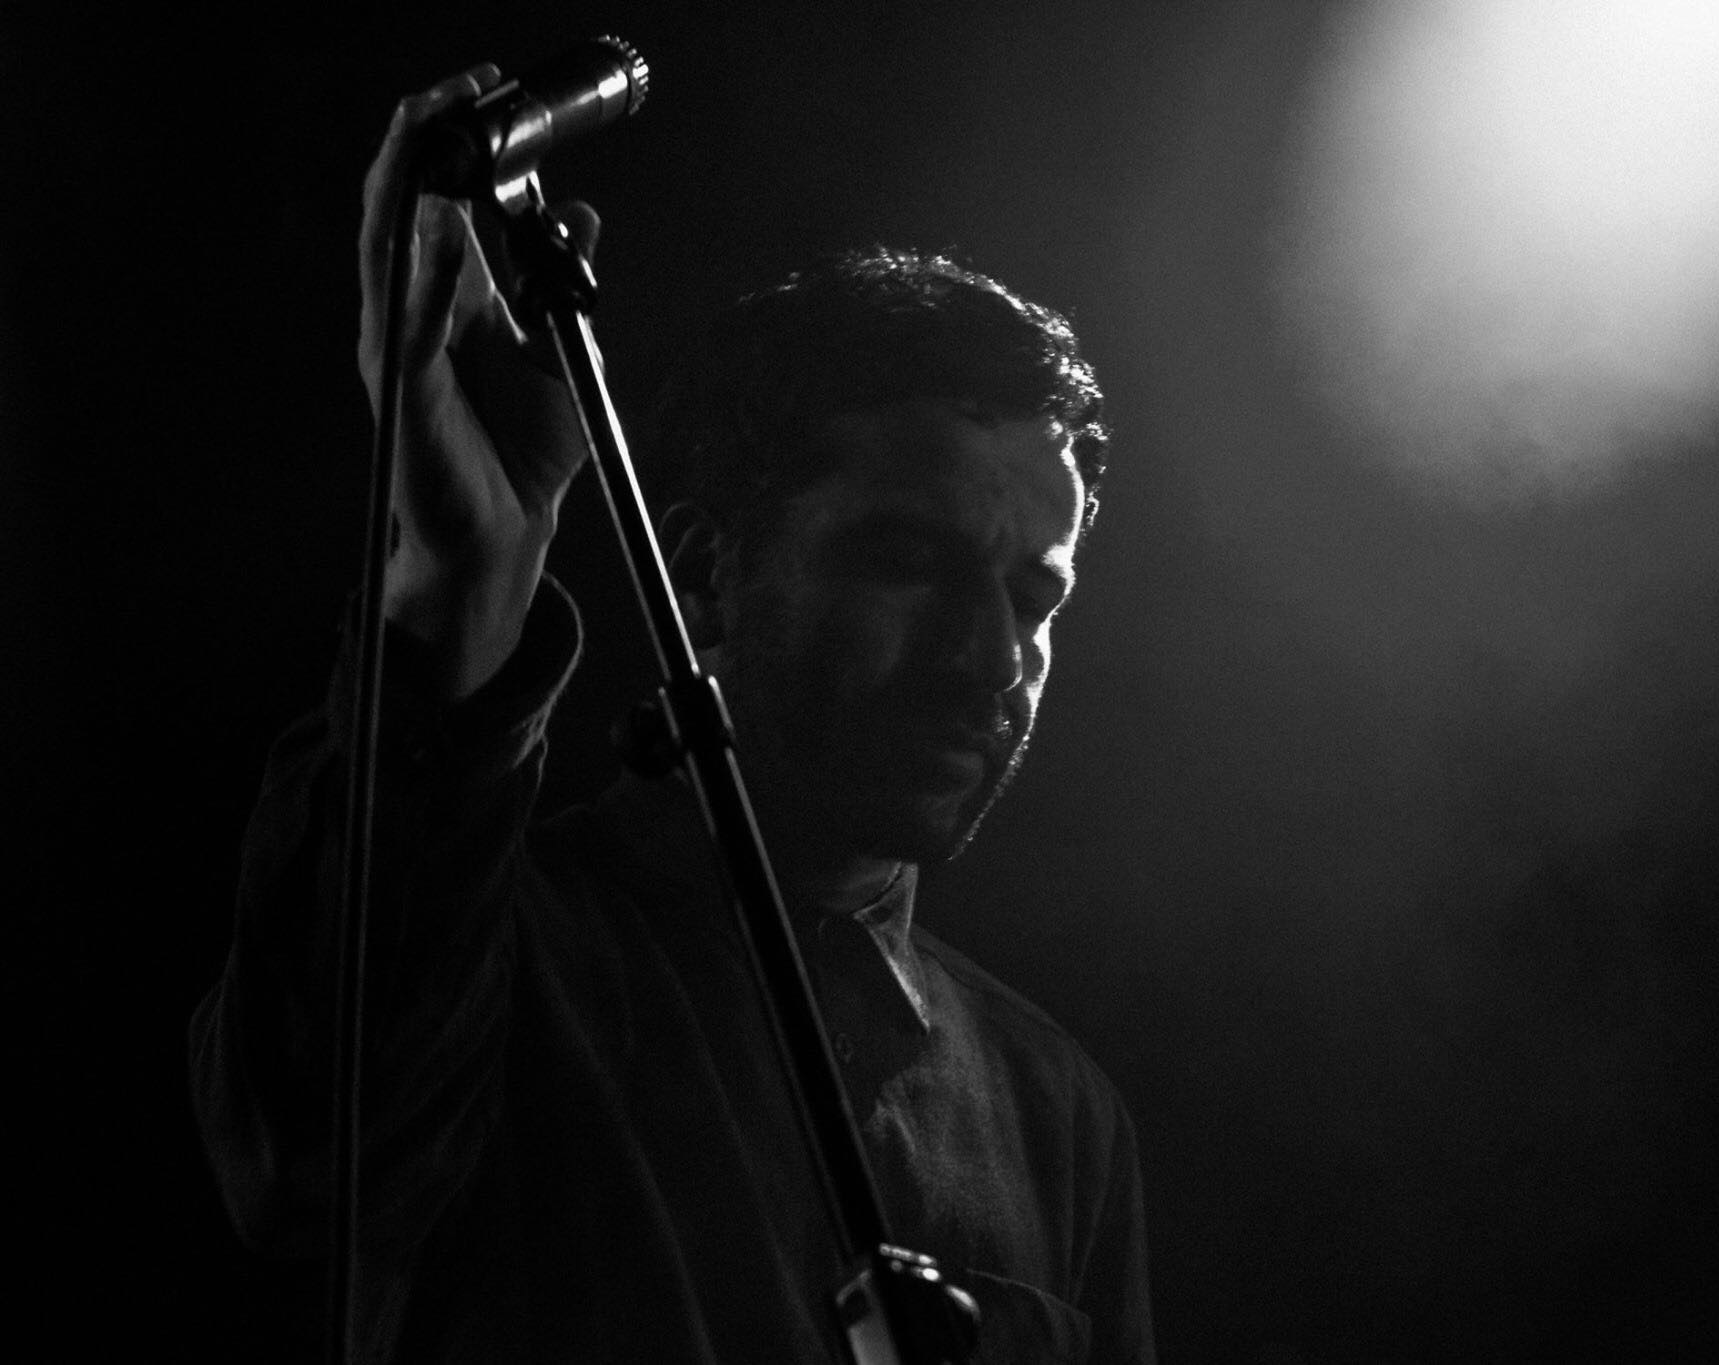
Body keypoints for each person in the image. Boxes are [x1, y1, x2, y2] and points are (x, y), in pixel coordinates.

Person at [187, 66, 1154, 1363]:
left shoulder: (1061, 1115)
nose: (988, 656)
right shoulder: (497, 958)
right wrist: (464, 579)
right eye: (906, 562)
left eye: (1034, 598)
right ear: (702, 575)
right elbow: (297, 1160)